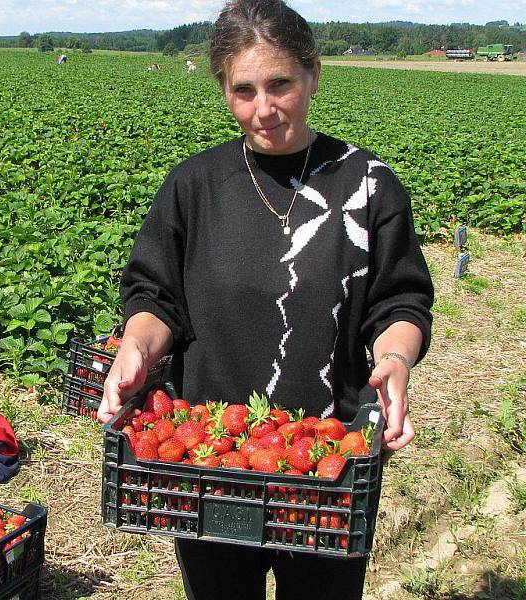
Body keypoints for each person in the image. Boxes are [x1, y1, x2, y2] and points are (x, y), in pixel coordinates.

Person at [96, 1, 433, 598]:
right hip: (209, 461)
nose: (264, 108)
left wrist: (397, 360)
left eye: (280, 83)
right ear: (223, 88)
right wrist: (136, 347)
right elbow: (156, 296)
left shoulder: (368, 185)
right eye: (243, 89)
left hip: (329, 462)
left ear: (313, 74)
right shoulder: (194, 186)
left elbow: (399, 304)